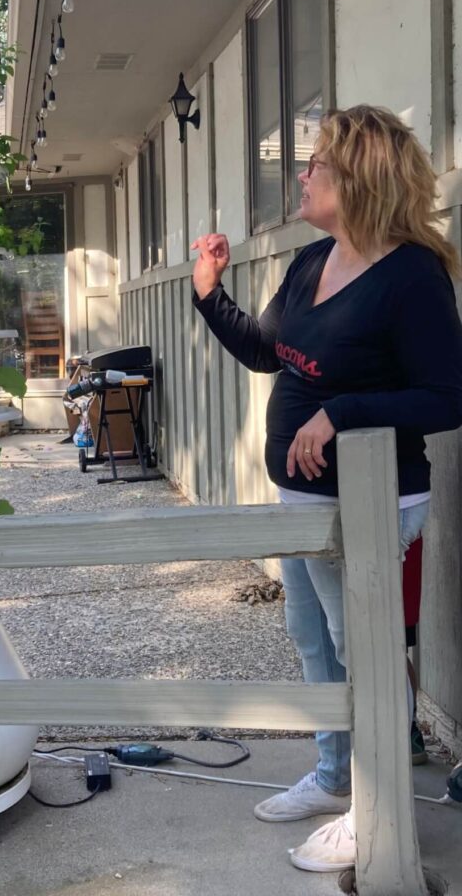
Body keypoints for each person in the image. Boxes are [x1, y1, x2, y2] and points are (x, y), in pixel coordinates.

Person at [191, 105, 462, 873]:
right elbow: (266, 354)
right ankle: (334, 773)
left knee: (363, 651)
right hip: (301, 501)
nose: (302, 175)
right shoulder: (313, 262)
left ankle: (378, 811)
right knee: (313, 641)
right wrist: (210, 293)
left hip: (373, 505)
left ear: (360, 179)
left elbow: (448, 396)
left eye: (316, 165)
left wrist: (343, 413)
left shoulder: (411, 275)